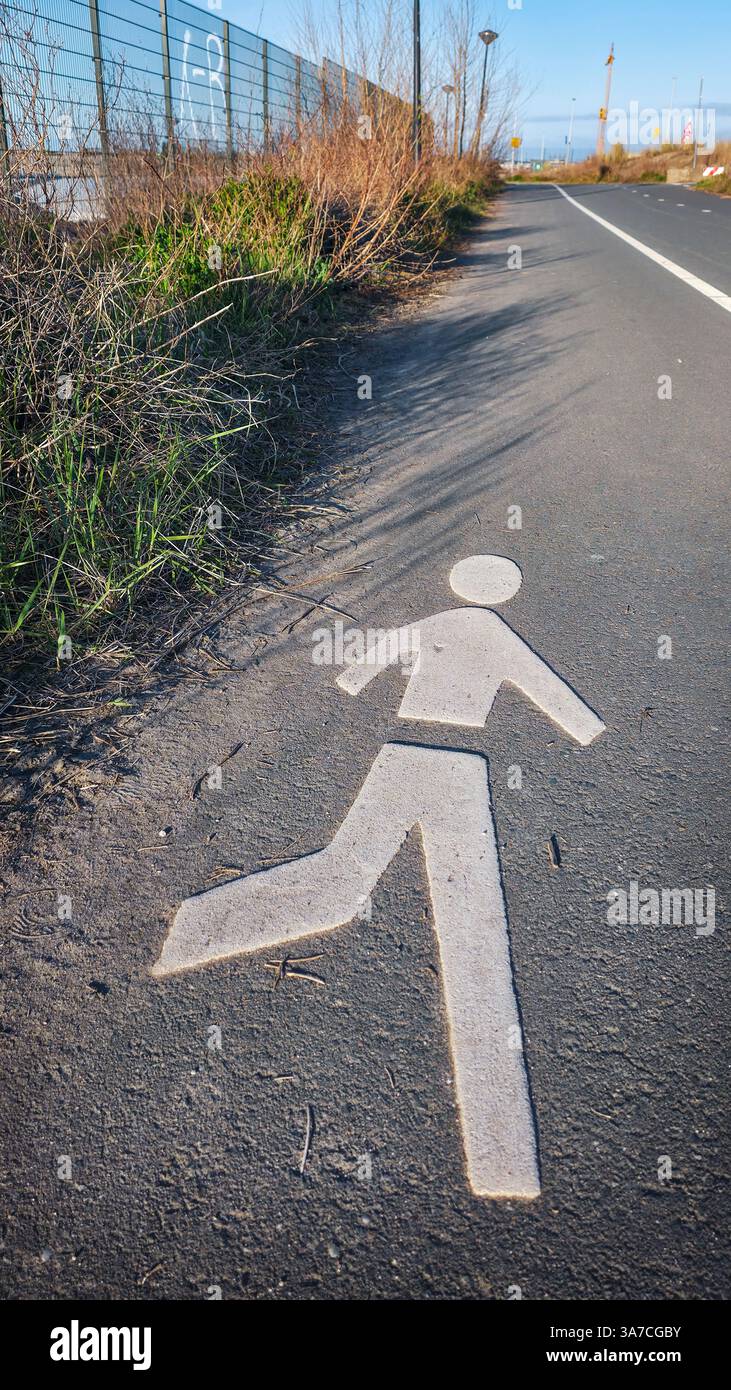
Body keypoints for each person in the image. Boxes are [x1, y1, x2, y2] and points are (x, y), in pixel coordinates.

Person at [153, 555, 604, 1200]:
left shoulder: (442, 621)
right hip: (451, 766)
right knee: (462, 918)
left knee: (344, 883)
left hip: (407, 756)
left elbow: (377, 654)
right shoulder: (497, 635)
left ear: (459, 585)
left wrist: (354, 677)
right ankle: (497, 1135)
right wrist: (582, 728)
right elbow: (547, 691)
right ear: (501, 591)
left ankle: (197, 932)